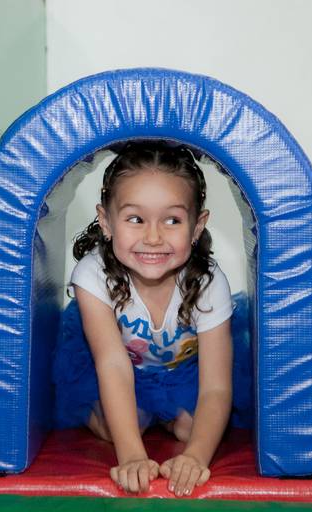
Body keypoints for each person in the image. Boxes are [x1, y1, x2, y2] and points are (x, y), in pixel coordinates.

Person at [55, 140, 234, 497]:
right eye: (135, 219)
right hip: (118, 368)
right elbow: (111, 364)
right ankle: (136, 417)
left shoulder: (207, 282)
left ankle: (168, 418)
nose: (153, 237)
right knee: (121, 424)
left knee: (196, 428)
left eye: (172, 220)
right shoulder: (93, 275)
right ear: (106, 221)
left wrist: (195, 457)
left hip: (182, 372)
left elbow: (215, 386)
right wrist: (133, 456)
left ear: (197, 226)